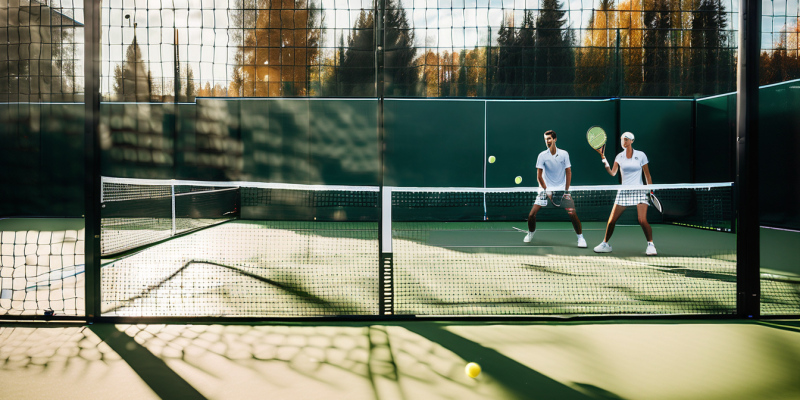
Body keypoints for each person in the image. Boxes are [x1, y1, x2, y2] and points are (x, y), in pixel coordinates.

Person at [593, 131, 657, 255]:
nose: (624, 141)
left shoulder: (641, 155)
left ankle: (651, 245)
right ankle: (605, 244)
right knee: (611, 221)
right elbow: (613, 173)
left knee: (642, 220)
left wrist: (650, 190)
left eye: (627, 139)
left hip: (639, 190)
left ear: (632, 141)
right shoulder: (619, 157)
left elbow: (647, 175)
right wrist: (604, 159)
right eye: (623, 139)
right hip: (624, 192)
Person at [524, 130, 586, 248]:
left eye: (549, 139)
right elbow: (539, 176)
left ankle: (580, 238)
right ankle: (531, 233)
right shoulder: (542, 156)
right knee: (531, 215)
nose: (547, 141)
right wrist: (547, 190)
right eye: (545, 139)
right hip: (545, 188)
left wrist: (566, 191)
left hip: (561, 188)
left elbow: (568, 172)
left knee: (572, 213)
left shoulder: (564, 154)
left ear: (555, 139)